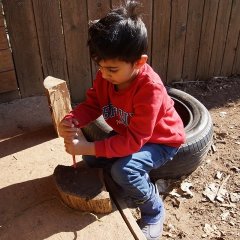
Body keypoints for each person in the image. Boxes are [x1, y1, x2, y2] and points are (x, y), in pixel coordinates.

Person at [58, 1, 185, 239]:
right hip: (130, 133)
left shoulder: (150, 89)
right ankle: (113, 180)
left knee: (124, 170)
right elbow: (93, 104)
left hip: (160, 141)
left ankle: (153, 210)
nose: (104, 74)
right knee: (91, 157)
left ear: (139, 62)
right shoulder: (106, 76)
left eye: (112, 70)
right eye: (101, 67)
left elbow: (136, 140)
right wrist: (73, 119)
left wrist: (88, 144)